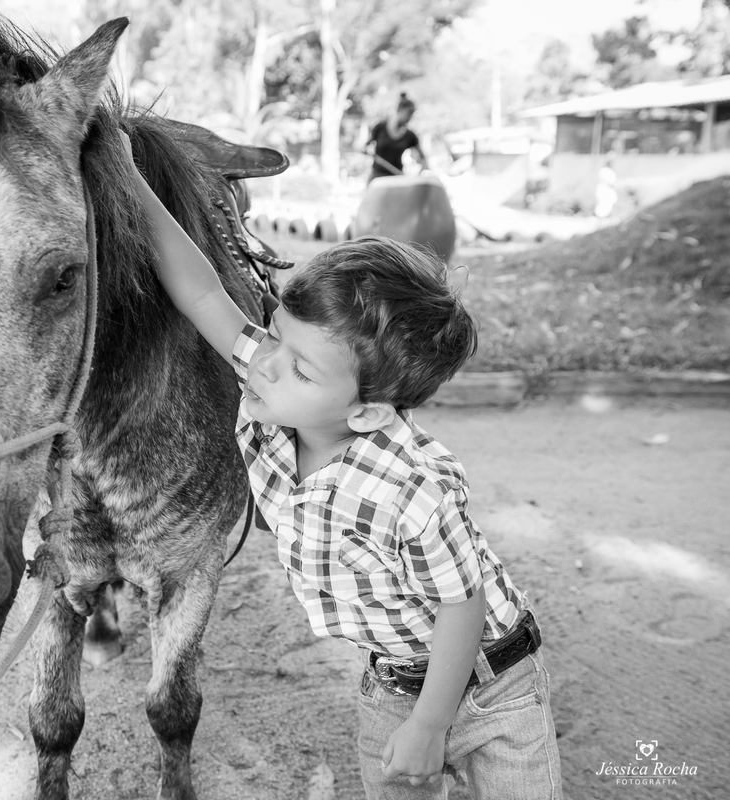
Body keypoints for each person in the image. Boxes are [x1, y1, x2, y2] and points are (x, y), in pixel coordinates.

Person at [118, 130, 562, 799]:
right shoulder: (281, 384)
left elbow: (462, 606)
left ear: (366, 414)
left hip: (494, 688)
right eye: (276, 335)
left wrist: (432, 725)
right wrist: (128, 177)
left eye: (296, 364)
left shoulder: (409, 485)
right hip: (389, 681)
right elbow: (203, 293)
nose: (264, 359)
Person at [367, 93, 427, 183]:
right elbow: (366, 145)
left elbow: (423, 158)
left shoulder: (410, 136)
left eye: (411, 116)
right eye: (408, 115)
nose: (409, 119)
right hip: (377, 178)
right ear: (400, 111)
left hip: (396, 179)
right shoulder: (380, 127)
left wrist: (419, 174)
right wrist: (365, 149)